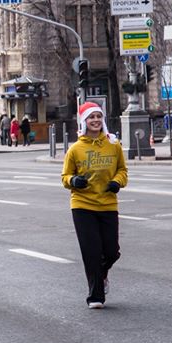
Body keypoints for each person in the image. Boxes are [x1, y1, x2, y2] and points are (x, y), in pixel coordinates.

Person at [61, 102, 128, 309]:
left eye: (99, 116)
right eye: (91, 117)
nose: (96, 121)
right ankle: (96, 296)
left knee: (111, 251)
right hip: (82, 205)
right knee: (91, 251)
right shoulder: (75, 149)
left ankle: (102, 273)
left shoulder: (113, 145)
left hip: (107, 204)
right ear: (84, 122)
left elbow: (122, 170)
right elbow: (65, 176)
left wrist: (117, 182)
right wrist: (74, 181)